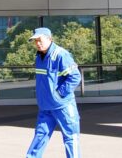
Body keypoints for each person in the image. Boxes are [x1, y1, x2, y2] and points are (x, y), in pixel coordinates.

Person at [26, 27, 82, 158]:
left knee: (71, 137)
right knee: (40, 137)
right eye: (35, 41)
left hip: (63, 106)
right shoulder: (39, 57)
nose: (37, 43)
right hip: (45, 106)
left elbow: (75, 77)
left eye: (40, 40)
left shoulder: (61, 54)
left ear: (49, 39)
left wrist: (59, 94)